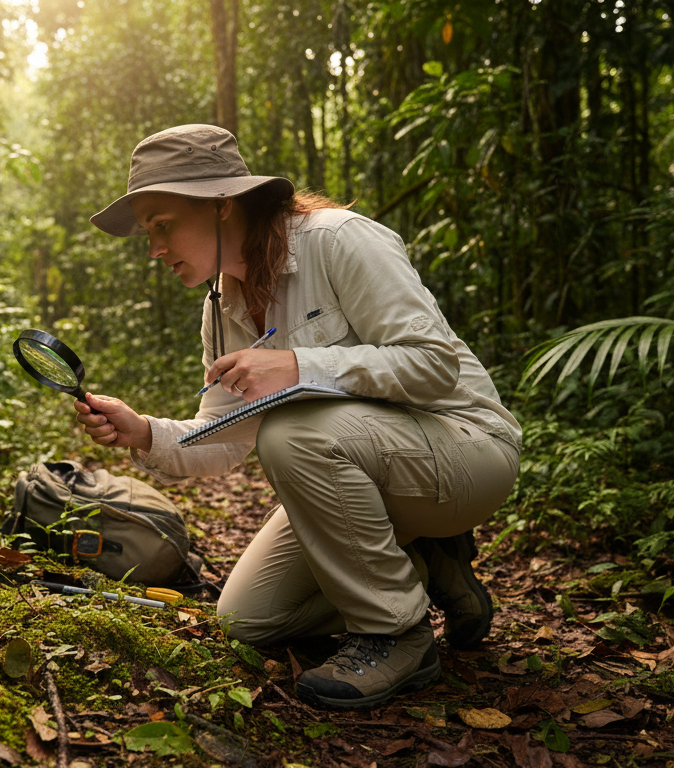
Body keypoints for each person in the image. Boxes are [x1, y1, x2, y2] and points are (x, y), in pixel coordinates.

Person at [74, 124, 522, 710]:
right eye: (146, 234)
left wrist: (299, 365)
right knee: (248, 620)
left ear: (221, 204)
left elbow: (434, 366)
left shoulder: (338, 240)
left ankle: (396, 634)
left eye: (163, 225)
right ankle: (421, 565)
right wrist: (145, 431)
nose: (154, 248)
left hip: (467, 452)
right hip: (364, 472)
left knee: (290, 433)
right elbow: (224, 436)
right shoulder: (220, 308)